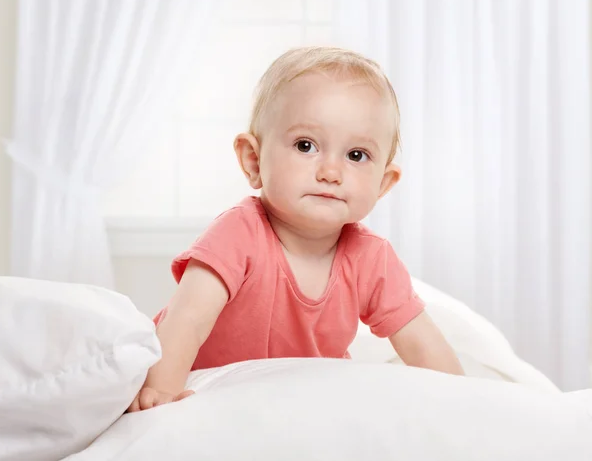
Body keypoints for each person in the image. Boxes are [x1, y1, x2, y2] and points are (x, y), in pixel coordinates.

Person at [127, 46, 464, 413]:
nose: (330, 172)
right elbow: (186, 319)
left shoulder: (372, 258)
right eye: (306, 146)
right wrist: (161, 391)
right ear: (254, 161)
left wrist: (467, 406)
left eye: (356, 155)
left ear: (383, 184)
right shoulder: (238, 234)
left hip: (302, 403)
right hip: (212, 388)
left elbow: (424, 346)